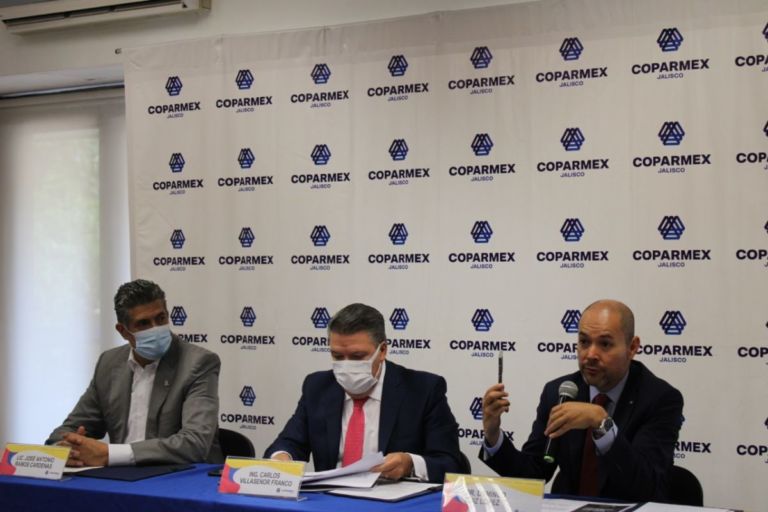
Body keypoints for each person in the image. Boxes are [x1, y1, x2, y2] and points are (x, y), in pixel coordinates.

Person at [480, 299, 683, 501]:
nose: (591, 354)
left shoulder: (660, 399)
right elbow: (533, 473)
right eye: (584, 342)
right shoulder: (558, 393)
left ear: (632, 347)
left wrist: (602, 424)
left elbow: (647, 486)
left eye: (605, 344)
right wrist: (493, 435)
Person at [264, 303, 463, 483]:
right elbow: (288, 442)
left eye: (357, 356)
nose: (346, 365)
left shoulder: (423, 390)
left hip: (391, 503)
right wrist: (282, 458)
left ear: (382, 351)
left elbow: (451, 464)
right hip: (329, 501)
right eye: (337, 356)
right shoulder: (317, 386)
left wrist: (410, 464)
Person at [46, 279, 223, 466]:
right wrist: (66, 448)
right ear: (123, 331)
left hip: (180, 476)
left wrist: (108, 454)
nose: (155, 328)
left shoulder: (198, 363)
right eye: (143, 323)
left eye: (160, 318)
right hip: (121, 476)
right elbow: (68, 430)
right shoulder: (109, 363)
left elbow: (195, 443)